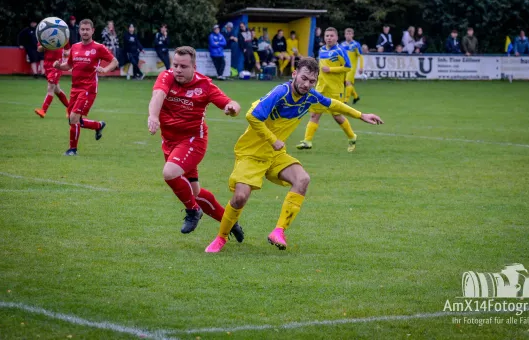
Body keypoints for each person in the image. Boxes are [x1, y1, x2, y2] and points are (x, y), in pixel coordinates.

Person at [204, 57, 384, 253]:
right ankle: (221, 238)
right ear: (294, 74)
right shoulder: (281, 92)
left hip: (275, 155)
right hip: (251, 153)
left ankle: (279, 231)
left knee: (303, 179)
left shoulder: (311, 97)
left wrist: (361, 115)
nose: (307, 84)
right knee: (240, 197)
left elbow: (334, 104)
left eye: (312, 81)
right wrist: (273, 140)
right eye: (304, 78)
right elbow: (252, 116)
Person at [148, 46, 245, 236]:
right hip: (169, 142)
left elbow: (231, 103)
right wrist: (153, 116)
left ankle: (193, 211)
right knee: (195, 192)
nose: (178, 70)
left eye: (183, 66)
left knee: (170, 172)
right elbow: (157, 95)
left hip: (193, 141)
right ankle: (230, 222)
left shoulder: (205, 85)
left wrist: (232, 108)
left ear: (194, 66)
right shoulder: (166, 77)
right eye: (175, 65)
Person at [53, 19, 118, 156]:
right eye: (82, 29)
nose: (85, 32)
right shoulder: (75, 47)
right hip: (74, 88)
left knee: (74, 118)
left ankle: (72, 150)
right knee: (73, 120)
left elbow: (114, 61)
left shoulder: (98, 48)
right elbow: (69, 65)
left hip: (88, 89)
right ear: (79, 31)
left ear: (93, 31)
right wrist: (59, 66)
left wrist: (105, 70)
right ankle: (98, 125)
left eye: (88, 29)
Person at [296, 27, 357, 152]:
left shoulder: (340, 50)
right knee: (314, 114)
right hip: (321, 88)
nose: (329, 38)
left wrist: (331, 70)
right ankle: (307, 141)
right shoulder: (322, 49)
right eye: (327, 36)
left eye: (331, 36)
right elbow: (321, 67)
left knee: (337, 116)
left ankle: (352, 136)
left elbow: (348, 67)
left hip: (335, 89)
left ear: (336, 37)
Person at [34, 40, 70, 118]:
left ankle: (43, 111)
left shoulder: (63, 34)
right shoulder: (44, 34)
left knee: (50, 88)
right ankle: (70, 108)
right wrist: (47, 45)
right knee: (57, 90)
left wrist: (66, 54)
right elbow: (39, 49)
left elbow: (68, 50)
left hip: (57, 65)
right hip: (47, 65)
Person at [340, 28, 364, 104]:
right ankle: (356, 97)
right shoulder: (342, 45)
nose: (348, 36)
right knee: (346, 83)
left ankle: (345, 100)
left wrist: (361, 67)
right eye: (347, 34)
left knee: (347, 82)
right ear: (344, 35)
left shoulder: (356, 45)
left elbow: (360, 56)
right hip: (344, 67)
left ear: (352, 35)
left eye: (350, 34)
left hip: (352, 67)